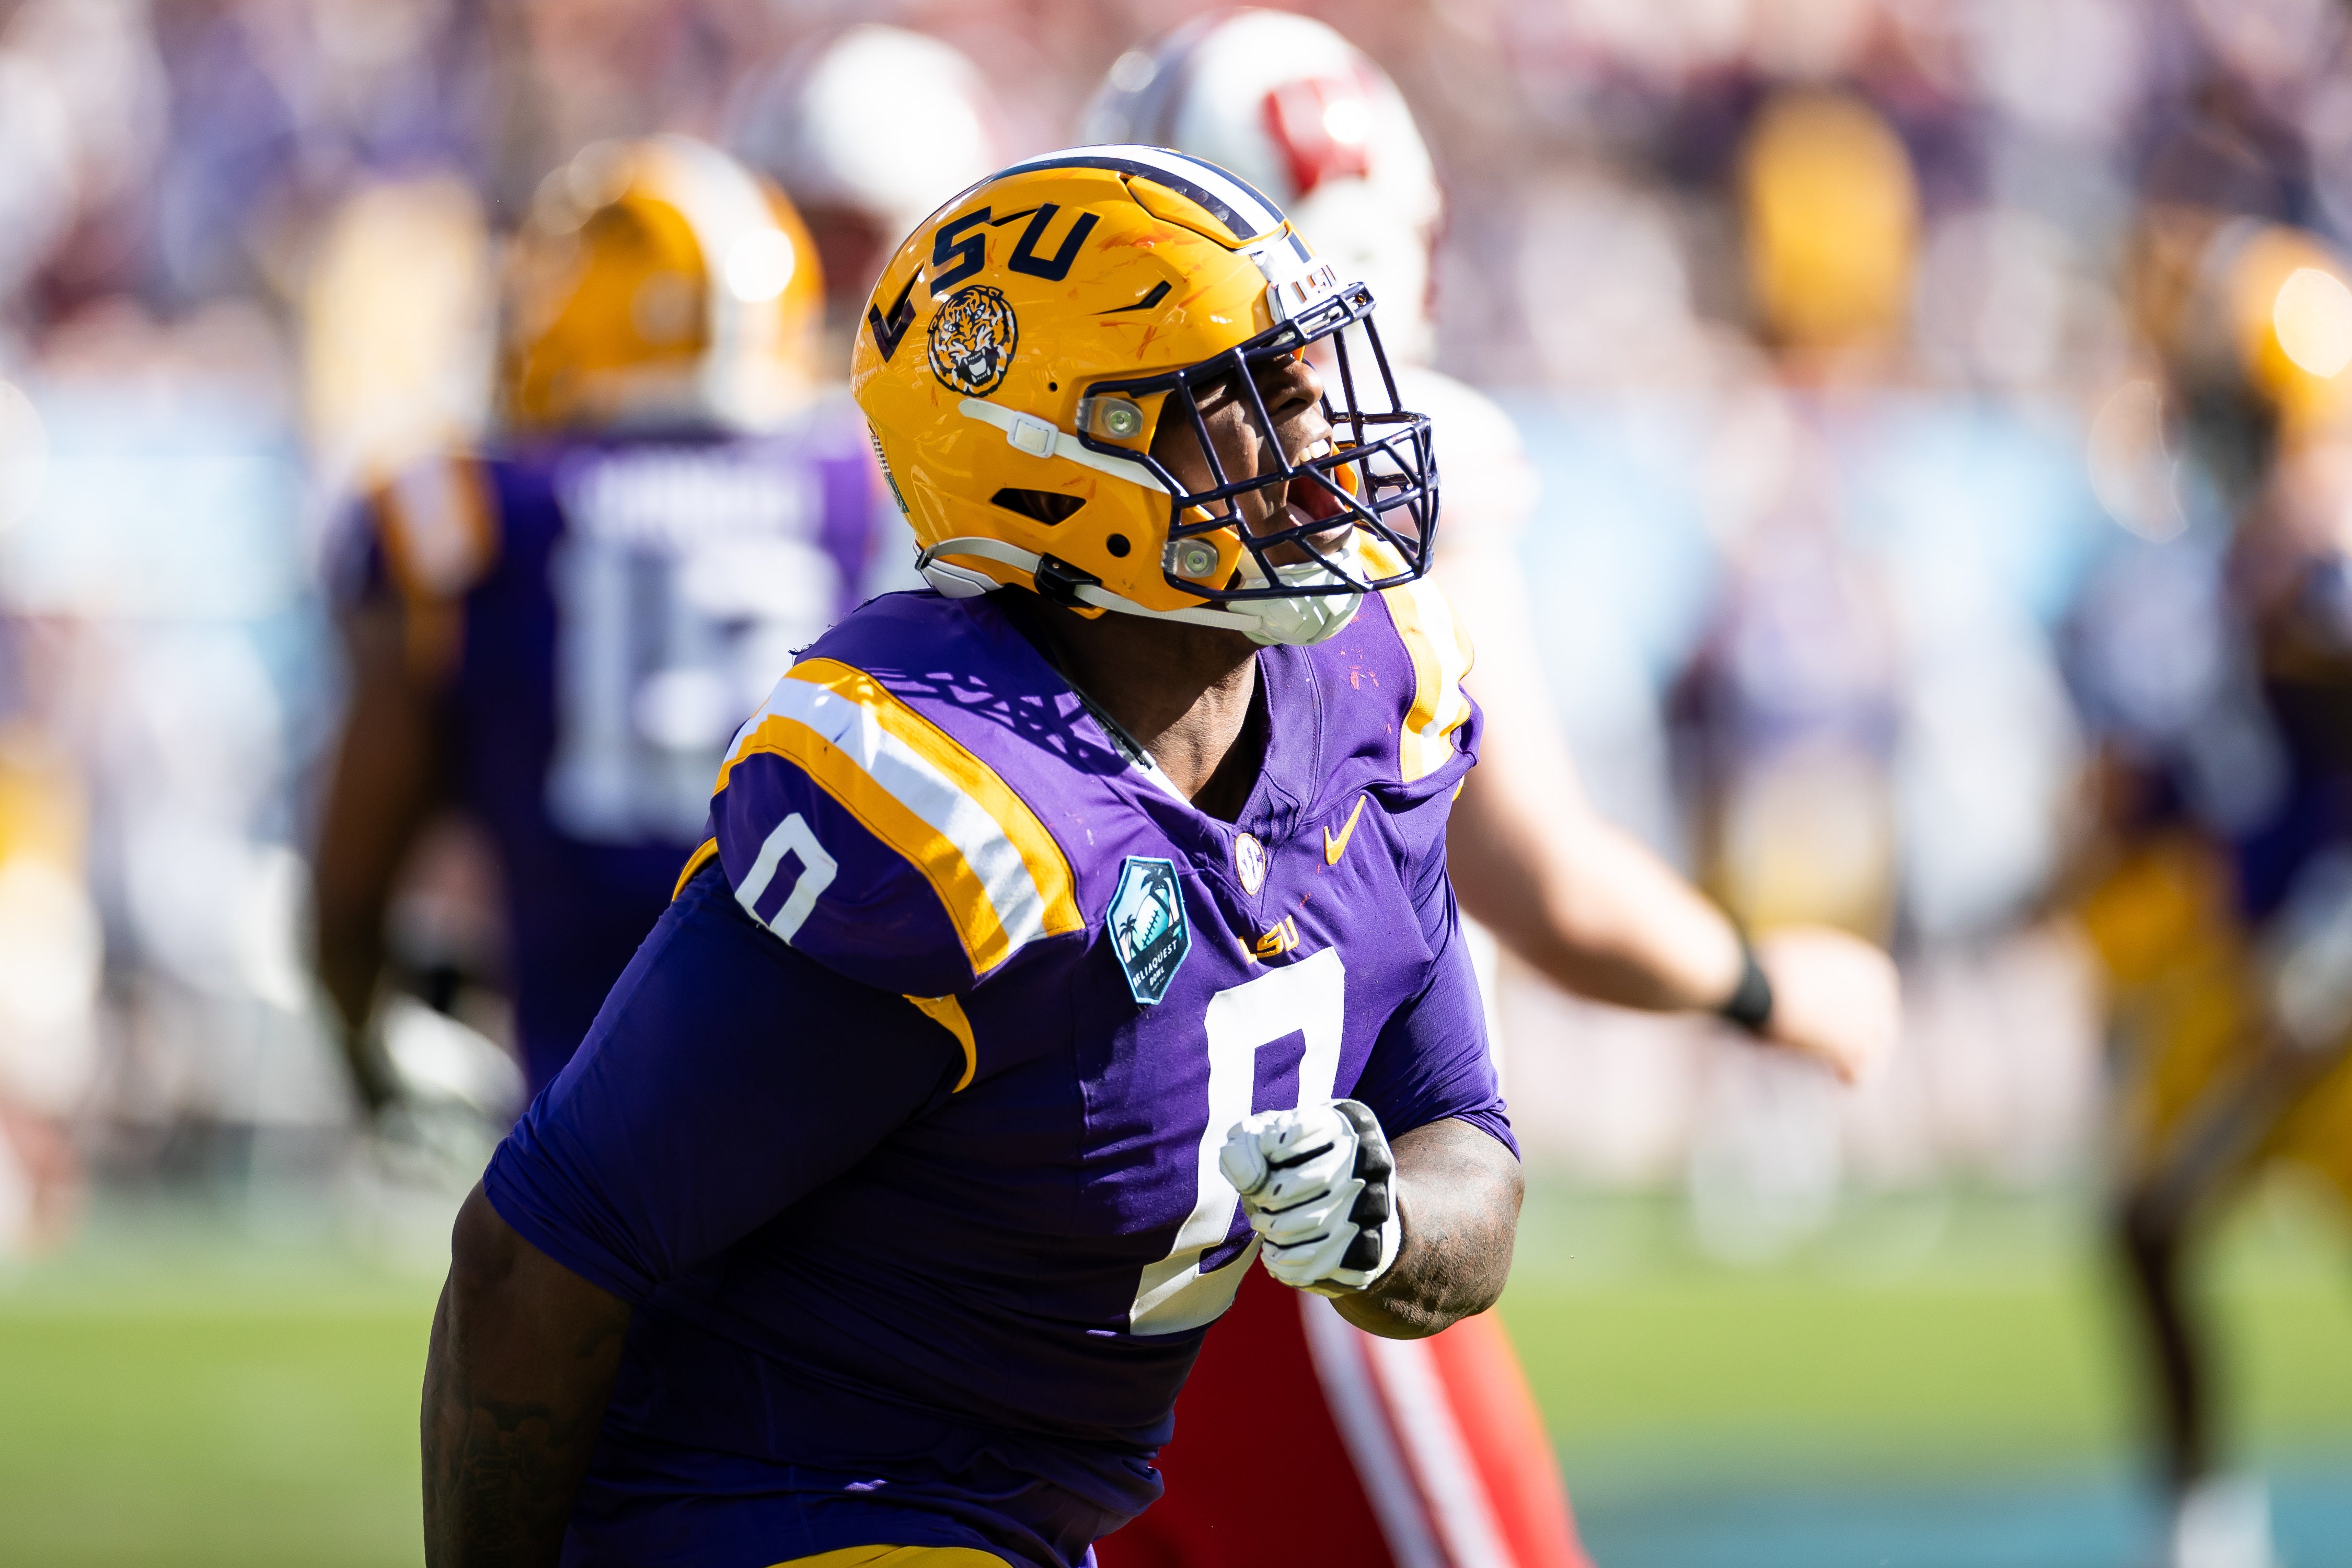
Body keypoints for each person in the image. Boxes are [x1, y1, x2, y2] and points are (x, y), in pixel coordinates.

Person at [421, 145, 1528, 1567]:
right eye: (1255, 403)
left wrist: (1384, 1223)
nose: (1318, 449)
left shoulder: (1375, 698)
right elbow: (537, 1250)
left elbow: (1469, 1153)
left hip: (1029, 1524)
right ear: (1062, 466)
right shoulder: (948, 804)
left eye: (1311, 387)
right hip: (787, 1511)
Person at [1078, 16, 1900, 1567]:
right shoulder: (1398, 458)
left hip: (1068, 1232)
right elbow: (1535, 870)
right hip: (1307, 1202)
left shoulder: (1037, 472)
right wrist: (1758, 986)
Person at [314, 135, 896, 1108]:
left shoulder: (459, 510)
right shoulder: (875, 488)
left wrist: (364, 1037)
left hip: (595, 1104)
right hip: (860, 1068)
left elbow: (355, 865)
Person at [2071, 158, 2352, 1568]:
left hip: (2326, 973)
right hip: (2267, 971)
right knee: (2144, 1220)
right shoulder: (2247, 562)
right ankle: (2202, 1526)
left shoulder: (2324, 561)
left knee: (2150, 1219)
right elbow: (2210, 772)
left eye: (2249, 415)